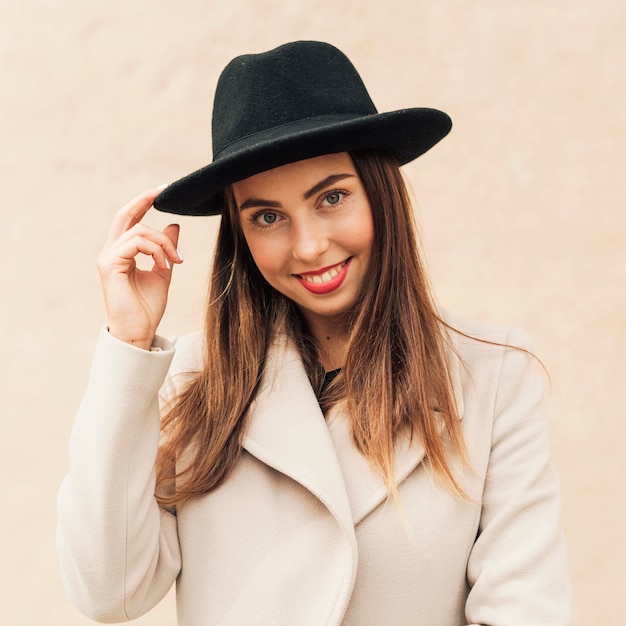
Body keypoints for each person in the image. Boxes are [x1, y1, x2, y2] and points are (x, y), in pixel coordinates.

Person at [57, 41, 572, 625]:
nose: (307, 246)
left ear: (380, 194)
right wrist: (128, 347)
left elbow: (525, 610)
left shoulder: (494, 377)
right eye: (267, 217)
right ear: (241, 236)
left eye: (332, 197)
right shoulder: (191, 383)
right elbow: (109, 592)